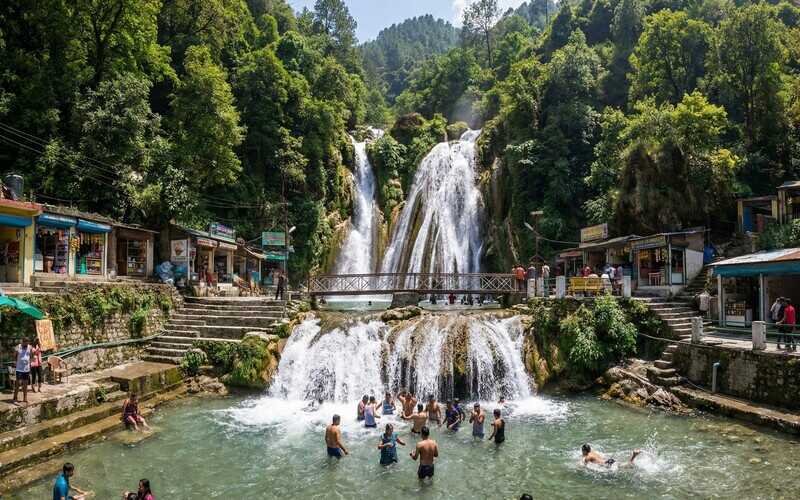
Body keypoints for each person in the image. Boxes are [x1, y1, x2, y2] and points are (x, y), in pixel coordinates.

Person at [13, 337, 31, 404]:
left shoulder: (30, 347)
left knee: (25, 384)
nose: (26, 344)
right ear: (22, 342)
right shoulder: (18, 347)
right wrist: (15, 362)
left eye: (27, 342)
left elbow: (31, 356)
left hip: (26, 369)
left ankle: (25, 398)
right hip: (19, 369)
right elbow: (14, 356)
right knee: (18, 384)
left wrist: (30, 363)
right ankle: (15, 398)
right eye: (25, 342)